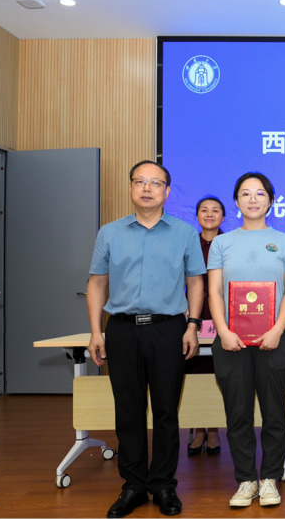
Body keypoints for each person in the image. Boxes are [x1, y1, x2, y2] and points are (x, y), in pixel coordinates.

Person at [86, 160, 205, 519]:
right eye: (140, 181)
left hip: (168, 329)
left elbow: (195, 282)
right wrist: (96, 330)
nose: (147, 188)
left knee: (167, 410)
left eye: (155, 183)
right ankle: (134, 485)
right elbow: (97, 282)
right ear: (130, 188)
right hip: (121, 329)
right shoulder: (110, 232)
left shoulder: (184, 232)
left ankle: (164, 485)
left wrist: (192, 326)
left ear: (167, 191)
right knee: (129, 410)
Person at [207, 173, 285, 508]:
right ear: (236, 201)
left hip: (274, 338)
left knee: (275, 411)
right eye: (245, 194)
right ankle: (246, 480)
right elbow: (214, 291)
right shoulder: (222, 243)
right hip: (230, 339)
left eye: (260, 193)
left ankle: (270, 478)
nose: (253, 199)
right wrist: (223, 331)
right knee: (238, 412)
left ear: (271, 200)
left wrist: (277, 329)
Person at [186, 196, 225, 456]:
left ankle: (214, 430)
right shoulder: (188, 243)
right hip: (193, 318)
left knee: (218, 373)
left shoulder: (230, 243)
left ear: (223, 216)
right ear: (197, 215)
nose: (209, 214)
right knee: (194, 374)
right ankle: (198, 429)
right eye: (204, 210)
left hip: (223, 318)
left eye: (215, 210)